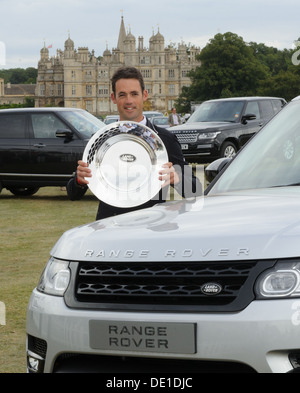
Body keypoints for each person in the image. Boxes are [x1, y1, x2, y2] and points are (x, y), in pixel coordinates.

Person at [67, 67, 202, 220]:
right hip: (109, 227)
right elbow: (72, 193)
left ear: (144, 95)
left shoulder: (165, 139)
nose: (129, 101)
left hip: (152, 228)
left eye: (134, 94)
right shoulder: (99, 140)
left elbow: (196, 190)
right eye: (122, 95)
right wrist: (79, 180)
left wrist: (176, 178)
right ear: (113, 98)